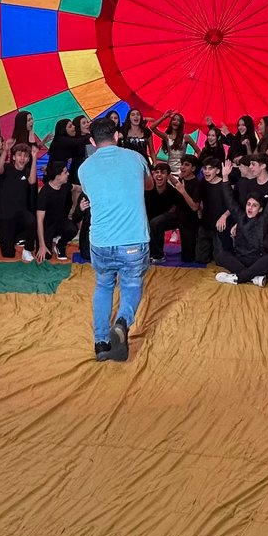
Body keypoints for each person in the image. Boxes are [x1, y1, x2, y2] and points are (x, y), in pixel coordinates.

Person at [79, 116, 153, 363]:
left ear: (92, 140)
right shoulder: (136, 158)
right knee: (131, 284)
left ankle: (101, 344)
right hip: (133, 239)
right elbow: (149, 186)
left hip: (100, 241)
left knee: (103, 286)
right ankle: (122, 322)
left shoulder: (84, 168)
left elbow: (93, 195)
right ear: (118, 136)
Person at [215, 158, 268, 286]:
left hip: (258, 259)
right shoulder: (240, 216)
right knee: (221, 255)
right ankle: (253, 278)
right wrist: (224, 177)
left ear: (260, 209)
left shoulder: (263, 218)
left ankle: (239, 278)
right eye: (248, 204)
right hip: (241, 259)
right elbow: (230, 200)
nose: (250, 208)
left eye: (254, 206)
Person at [149, 154, 201, 263]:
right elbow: (173, 181)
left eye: (186, 165)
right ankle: (158, 255)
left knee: (189, 258)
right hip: (177, 215)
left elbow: (195, 207)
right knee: (155, 223)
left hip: (189, 220)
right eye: (182, 164)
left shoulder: (197, 184)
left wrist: (183, 191)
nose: (182, 167)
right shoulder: (181, 179)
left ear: (193, 168)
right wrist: (165, 171)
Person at [0, 141, 38, 259]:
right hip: (5, 214)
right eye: (19, 155)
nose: (22, 158)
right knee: (8, 254)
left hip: (21, 212)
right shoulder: (7, 168)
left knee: (32, 221)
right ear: (13, 157)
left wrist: (34, 158)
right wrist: (5, 151)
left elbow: (32, 181)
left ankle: (27, 249)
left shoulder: (28, 171)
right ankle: (5, 239)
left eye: (25, 156)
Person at [195, 157, 230, 265]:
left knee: (220, 260)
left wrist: (224, 216)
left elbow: (233, 206)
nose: (206, 171)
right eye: (205, 168)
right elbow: (198, 202)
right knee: (200, 259)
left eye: (210, 169)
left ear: (218, 171)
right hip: (206, 224)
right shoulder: (203, 183)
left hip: (220, 226)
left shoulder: (225, 184)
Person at [36, 162, 72, 262]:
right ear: (57, 176)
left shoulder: (65, 186)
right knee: (45, 257)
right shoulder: (45, 193)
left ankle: (60, 244)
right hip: (47, 226)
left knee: (72, 229)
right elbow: (39, 220)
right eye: (65, 172)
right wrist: (42, 245)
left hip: (61, 222)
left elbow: (77, 188)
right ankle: (48, 240)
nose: (68, 174)